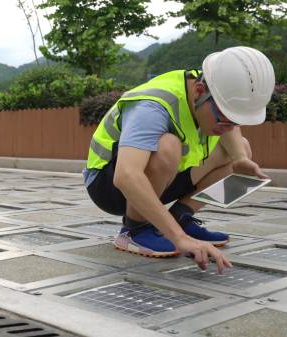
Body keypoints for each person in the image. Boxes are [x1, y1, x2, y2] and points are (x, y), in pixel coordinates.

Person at [83, 46, 275, 274]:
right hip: (109, 186)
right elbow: (127, 175)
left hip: (160, 177)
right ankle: (134, 231)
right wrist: (179, 239)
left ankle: (180, 218)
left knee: (241, 149)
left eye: (236, 121)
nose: (229, 128)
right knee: (168, 146)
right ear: (200, 91)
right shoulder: (152, 106)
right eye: (224, 119)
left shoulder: (209, 90)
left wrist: (241, 160)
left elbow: (229, 128)